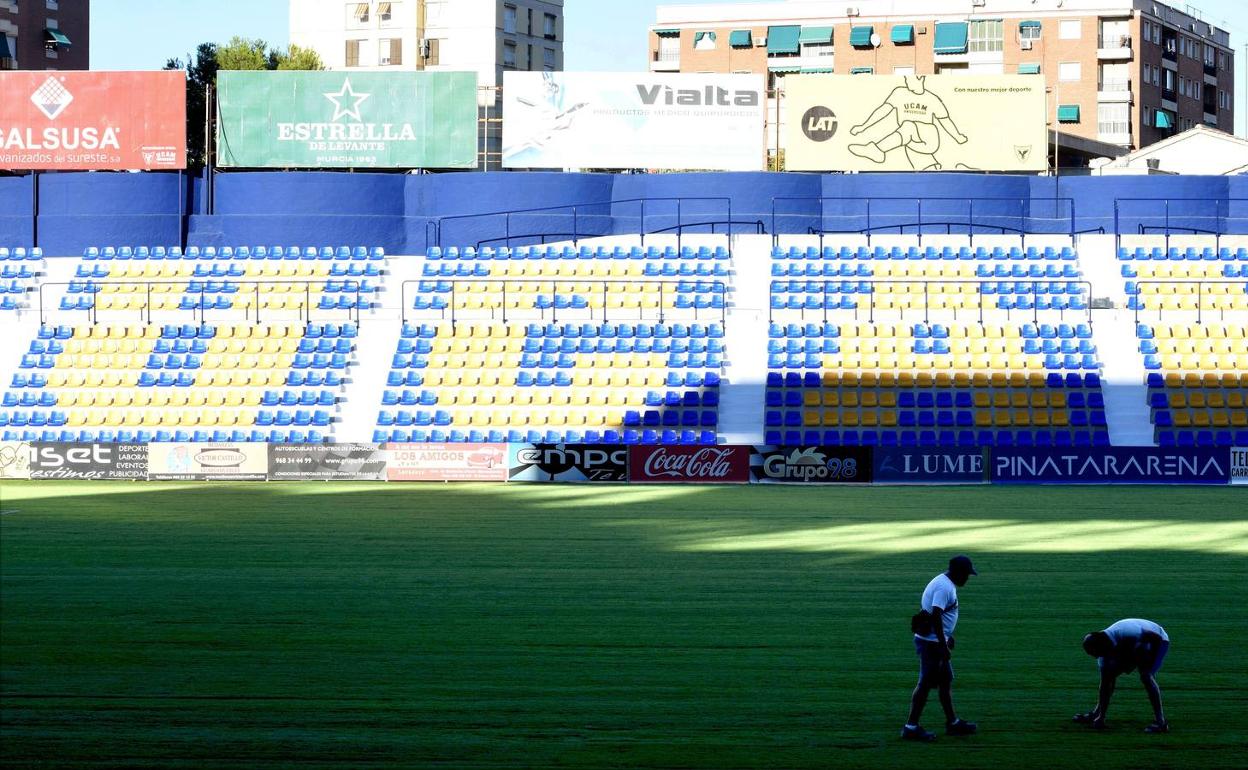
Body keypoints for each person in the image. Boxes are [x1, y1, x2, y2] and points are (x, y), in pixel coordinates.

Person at [901, 555, 978, 742]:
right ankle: (911, 727)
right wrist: (943, 644)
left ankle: (953, 723)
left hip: (935, 640)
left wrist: (945, 637)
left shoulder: (943, 582)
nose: (967, 578)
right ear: (958, 572)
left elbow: (937, 616)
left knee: (945, 682)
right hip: (932, 644)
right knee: (925, 683)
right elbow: (936, 615)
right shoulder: (944, 587)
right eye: (966, 574)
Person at [847, 75, 969, 171]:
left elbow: (945, 121)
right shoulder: (899, 92)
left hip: (929, 138)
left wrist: (958, 136)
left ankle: (876, 150)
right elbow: (883, 110)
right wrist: (863, 127)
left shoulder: (932, 98)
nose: (905, 81)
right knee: (926, 167)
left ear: (919, 78)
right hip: (910, 140)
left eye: (908, 79)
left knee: (908, 126)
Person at [1075, 619, 1170, 733]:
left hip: (1158, 639)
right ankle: (1097, 714)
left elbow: (1156, 638)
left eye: (1096, 654)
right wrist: (1101, 717)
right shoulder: (1103, 653)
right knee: (1108, 677)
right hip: (1134, 647)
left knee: (1146, 676)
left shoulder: (1129, 633)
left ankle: (1161, 723)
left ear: (1102, 647)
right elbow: (1105, 684)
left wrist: (1149, 663)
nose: (1096, 657)